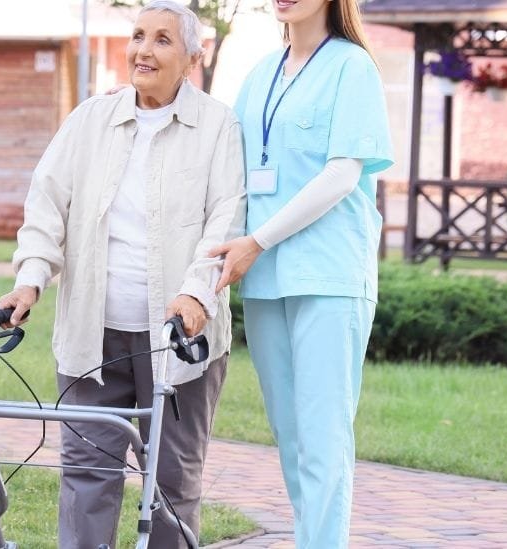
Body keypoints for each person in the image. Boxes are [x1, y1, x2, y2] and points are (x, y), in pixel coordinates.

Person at [0, 2, 245, 546]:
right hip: (94, 338)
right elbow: (46, 208)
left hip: (179, 342)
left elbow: (226, 218)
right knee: (86, 476)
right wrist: (30, 279)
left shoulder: (218, 126)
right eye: (137, 36)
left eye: (161, 40)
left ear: (192, 58)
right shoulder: (89, 121)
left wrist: (196, 294)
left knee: (173, 482)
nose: (143, 50)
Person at [207, 0, 394, 547]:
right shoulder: (261, 73)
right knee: (291, 437)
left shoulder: (352, 67)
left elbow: (342, 175)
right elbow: (233, 168)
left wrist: (258, 240)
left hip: (328, 276)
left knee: (323, 437)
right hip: (265, 278)